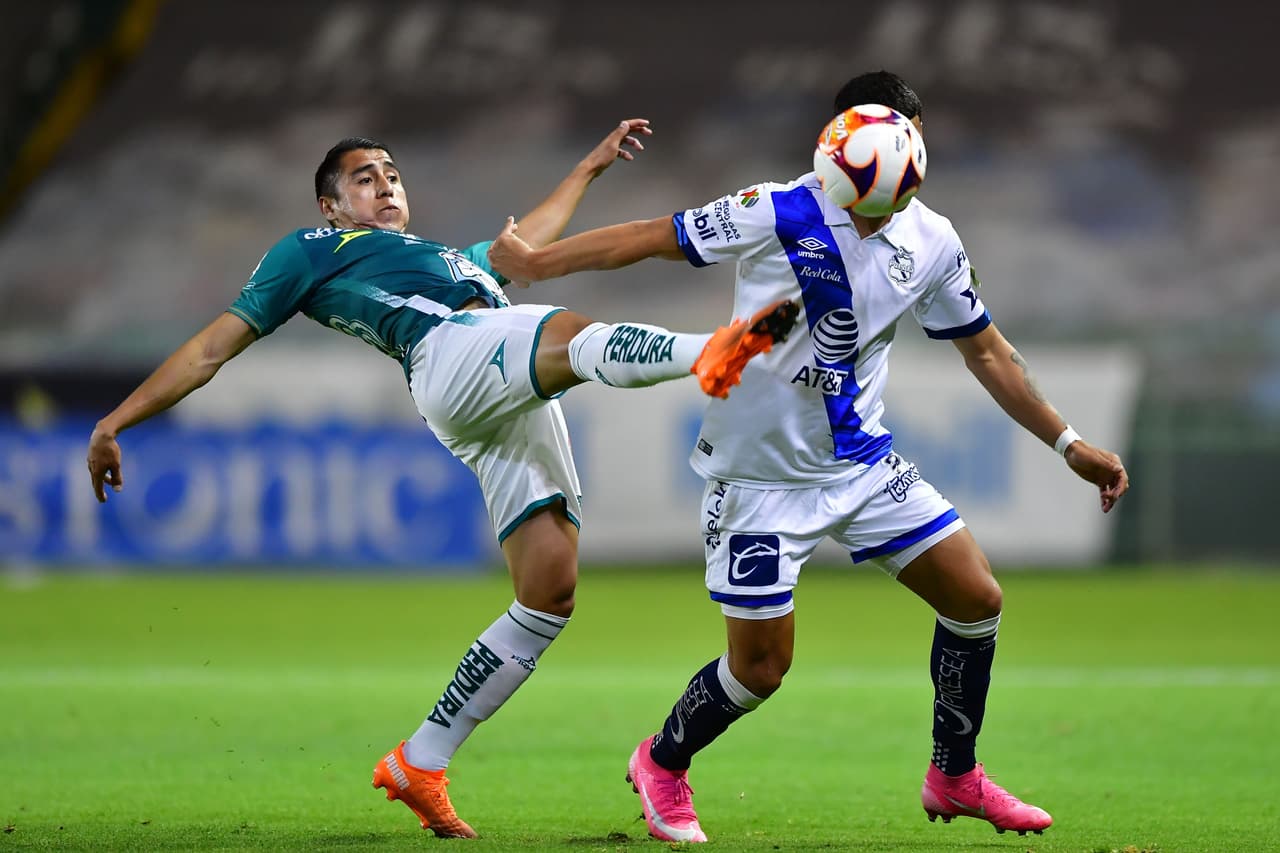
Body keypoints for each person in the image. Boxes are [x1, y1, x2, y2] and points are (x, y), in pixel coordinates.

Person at [85, 120, 799, 839]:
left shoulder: (453, 260)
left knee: (549, 591)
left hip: (491, 387)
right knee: (570, 333)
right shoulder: (308, 251)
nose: (386, 183)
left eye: (391, 173)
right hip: (451, 354)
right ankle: (711, 351)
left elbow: (525, 246)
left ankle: (420, 758)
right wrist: (116, 420)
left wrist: (589, 167)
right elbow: (214, 344)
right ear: (329, 207)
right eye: (364, 177)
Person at [487, 71, 1129, 842]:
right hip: (758, 478)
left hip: (861, 463)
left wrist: (1067, 442)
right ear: (837, 140)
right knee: (760, 670)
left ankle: (954, 775)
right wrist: (536, 263)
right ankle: (662, 760)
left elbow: (987, 353)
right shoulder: (778, 207)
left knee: (975, 599)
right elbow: (653, 237)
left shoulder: (933, 239)